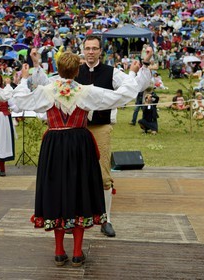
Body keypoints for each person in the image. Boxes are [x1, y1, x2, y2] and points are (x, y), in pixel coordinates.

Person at [0, 52, 143, 267]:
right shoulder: (86, 91)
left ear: (58, 69)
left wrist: (25, 78)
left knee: (56, 191)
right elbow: (123, 94)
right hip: (79, 143)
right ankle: (76, 252)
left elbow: (16, 100)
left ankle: (58, 251)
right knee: (79, 191)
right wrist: (127, 74)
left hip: (54, 144)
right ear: (77, 71)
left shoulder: (46, 91)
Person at [30, 35, 153, 238]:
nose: (90, 52)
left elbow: (134, 86)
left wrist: (145, 63)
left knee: (104, 175)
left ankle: (106, 219)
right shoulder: (72, 72)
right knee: (73, 175)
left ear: (100, 51)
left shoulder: (111, 72)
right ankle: (71, 217)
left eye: (94, 48)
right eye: (87, 48)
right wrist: (36, 64)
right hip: (75, 131)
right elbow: (48, 85)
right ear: (83, 50)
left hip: (100, 127)